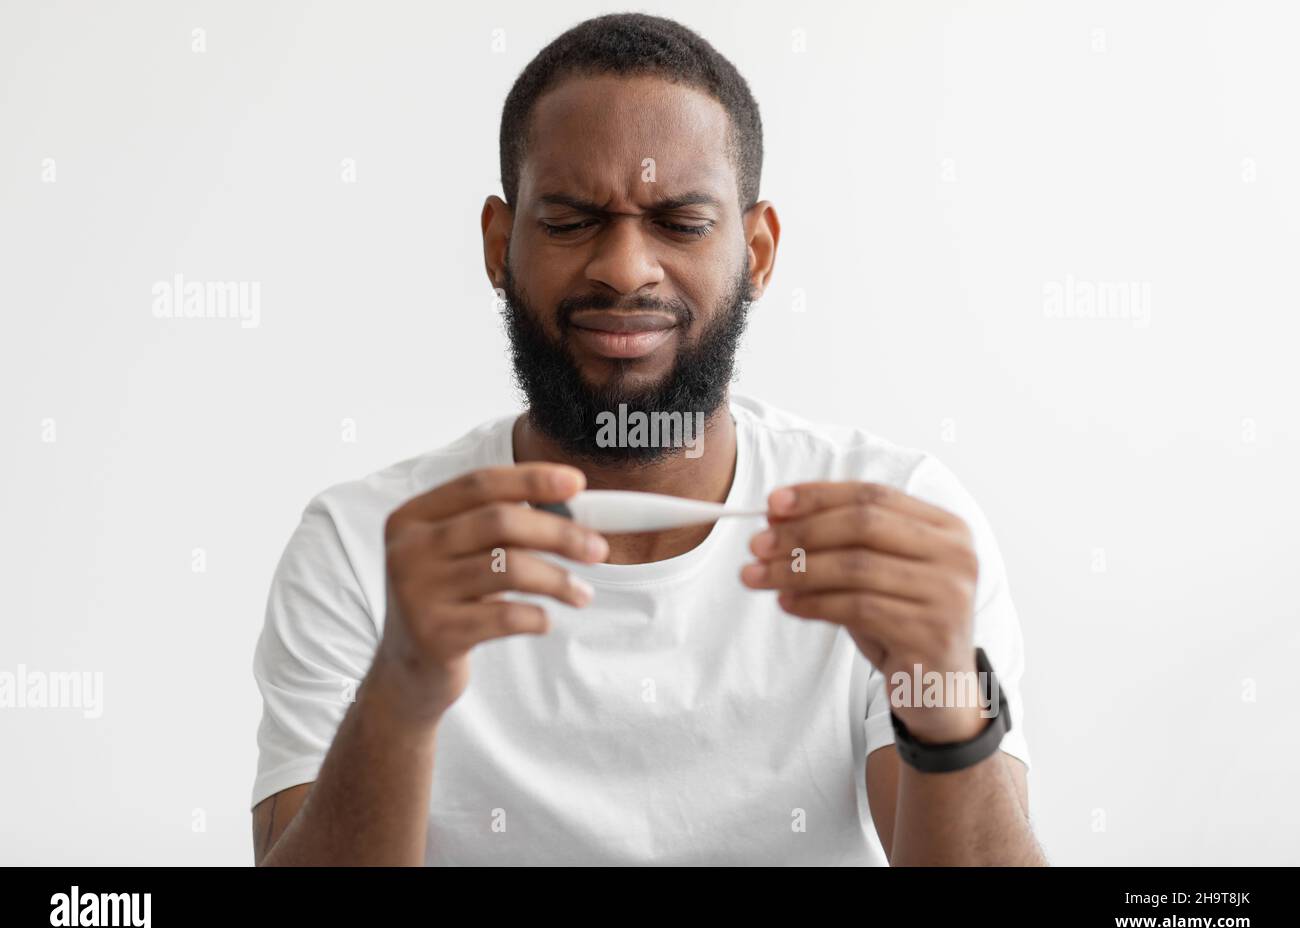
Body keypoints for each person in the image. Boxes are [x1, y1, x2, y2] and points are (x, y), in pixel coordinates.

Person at [250, 12, 1046, 866]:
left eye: (680, 221)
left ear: (759, 251)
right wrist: (400, 693)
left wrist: (947, 696)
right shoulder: (365, 546)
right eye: (569, 221)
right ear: (497, 245)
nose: (625, 269)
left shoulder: (896, 522)